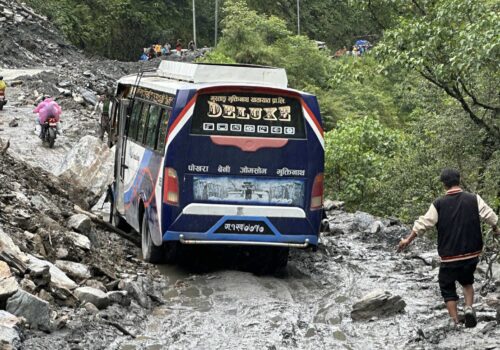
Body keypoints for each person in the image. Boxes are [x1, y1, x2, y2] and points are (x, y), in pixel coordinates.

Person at [398, 168, 499, 329]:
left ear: (444, 185)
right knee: (467, 282)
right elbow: (490, 215)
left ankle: (454, 320)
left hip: (450, 256)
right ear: (459, 180)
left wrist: (407, 240)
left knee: (446, 285)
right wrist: (495, 228)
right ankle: (468, 308)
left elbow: (424, 223)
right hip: (472, 253)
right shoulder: (474, 199)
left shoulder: (438, 204)